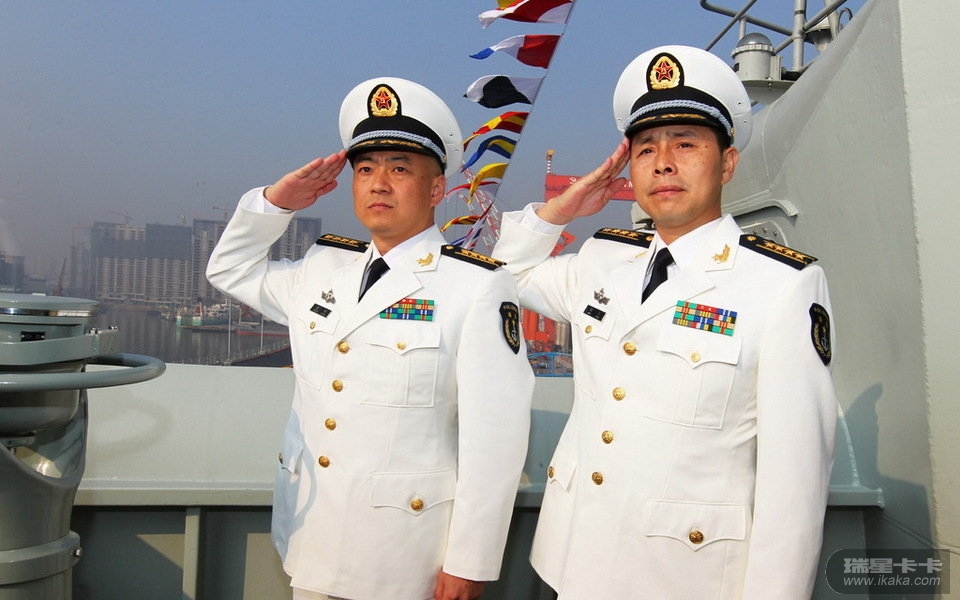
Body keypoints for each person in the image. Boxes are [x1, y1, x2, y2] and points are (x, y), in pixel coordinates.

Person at [492, 45, 838, 599]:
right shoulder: (604, 258)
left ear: (727, 162)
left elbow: (795, 481)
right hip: (573, 565)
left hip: (684, 578)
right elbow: (505, 277)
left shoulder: (782, 285)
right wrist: (561, 210)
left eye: (686, 143)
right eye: (646, 148)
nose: (663, 162)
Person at [207, 77, 534, 600]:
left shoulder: (476, 286)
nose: (378, 184)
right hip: (309, 536)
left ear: (435, 190)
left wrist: (469, 561)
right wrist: (275, 204)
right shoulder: (323, 266)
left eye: (399, 169)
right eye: (365, 169)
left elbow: (495, 437)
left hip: (403, 554)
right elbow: (229, 270)